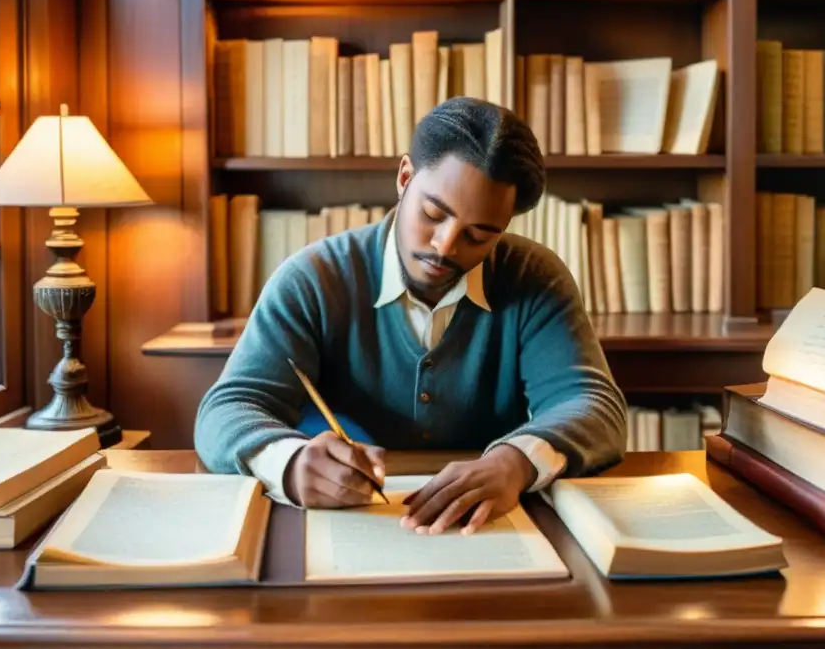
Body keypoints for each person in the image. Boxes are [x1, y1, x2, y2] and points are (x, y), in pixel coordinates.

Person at [194, 96, 627, 535]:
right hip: (345, 531)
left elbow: (595, 406)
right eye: (433, 214)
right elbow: (225, 410)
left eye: (479, 235)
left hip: (483, 531)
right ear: (404, 177)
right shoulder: (314, 278)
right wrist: (287, 463)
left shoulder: (534, 278)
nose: (445, 245)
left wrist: (516, 462)